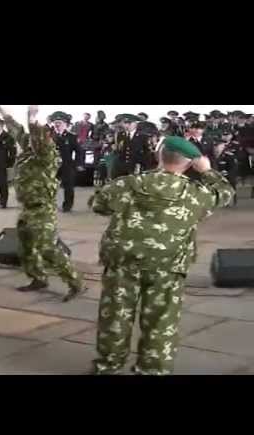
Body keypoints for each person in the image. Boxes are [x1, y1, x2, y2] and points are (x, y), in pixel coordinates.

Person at [89, 137, 234, 375]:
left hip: (123, 262)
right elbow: (225, 193)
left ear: (159, 155)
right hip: (168, 267)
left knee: (115, 315)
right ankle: (152, 369)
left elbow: (98, 204)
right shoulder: (196, 193)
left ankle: (108, 366)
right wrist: (207, 171)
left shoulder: (127, 184)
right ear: (190, 163)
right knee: (161, 320)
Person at [0, 105, 85, 301]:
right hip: (27, 208)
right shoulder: (29, 148)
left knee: (48, 248)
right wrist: (1, 110)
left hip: (42, 209)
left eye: (36, 138)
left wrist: (32, 117)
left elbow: (37, 136)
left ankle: (76, 283)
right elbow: (16, 129)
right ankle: (38, 278)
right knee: (26, 246)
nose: (30, 140)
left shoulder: (47, 154)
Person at [50, 111, 79, 212]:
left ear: (65, 124)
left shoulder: (71, 137)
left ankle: (67, 205)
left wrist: (77, 163)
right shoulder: (48, 136)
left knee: (69, 186)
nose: (57, 125)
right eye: (55, 123)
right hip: (52, 165)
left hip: (67, 165)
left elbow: (79, 151)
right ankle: (50, 204)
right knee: (49, 186)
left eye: (60, 123)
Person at [114, 114, 151, 178]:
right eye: (125, 123)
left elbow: (147, 153)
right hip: (122, 167)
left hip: (136, 166)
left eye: (129, 123)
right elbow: (119, 151)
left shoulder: (143, 136)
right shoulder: (120, 135)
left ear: (135, 123)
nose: (127, 125)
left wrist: (143, 166)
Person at [210, 137, 239, 206]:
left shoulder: (229, 156)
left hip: (227, 177)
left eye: (218, 145)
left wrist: (226, 174)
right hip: (214, 176)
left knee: (230, 181)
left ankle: (230, 199)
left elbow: (233, 168)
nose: (216, 147)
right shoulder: (210, 156)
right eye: (215, 146)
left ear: (223, 146)